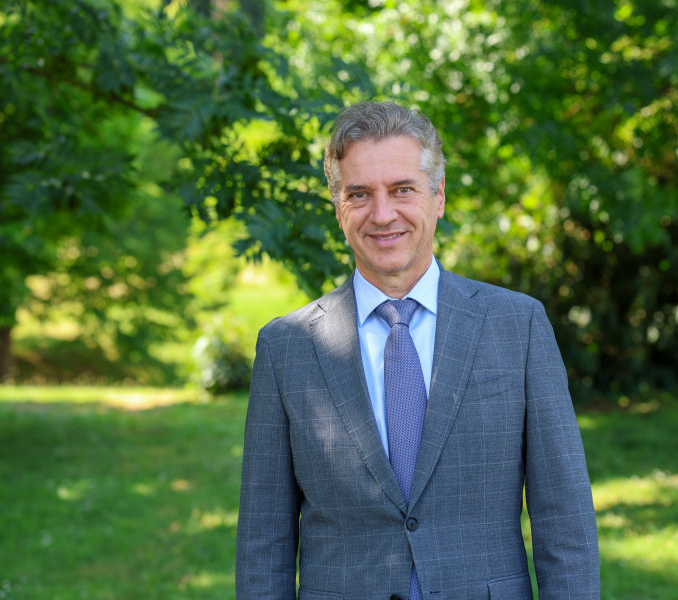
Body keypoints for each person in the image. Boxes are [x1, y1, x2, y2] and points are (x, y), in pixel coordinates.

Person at [236, 101, 600, 600]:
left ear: (439, 197)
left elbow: (565, 519)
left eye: (402, 189)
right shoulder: (287, 347)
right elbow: (263, 540)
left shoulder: (518, 326)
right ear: (338, 208)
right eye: (359, 194)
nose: (383, 214)